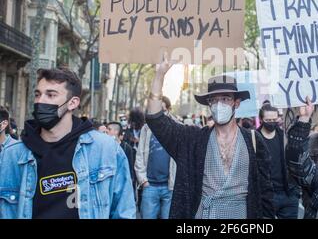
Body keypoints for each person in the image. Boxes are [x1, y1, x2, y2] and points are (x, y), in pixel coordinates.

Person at [145, 56, 274, 219]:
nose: (219, 105)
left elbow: (266, 191)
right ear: (209, 105)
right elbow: (155, 119)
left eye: (225, 99)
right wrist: (159, 76)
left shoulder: (254, 141)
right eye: (214, 100)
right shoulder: (193, 140)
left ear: (237, 103)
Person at [0, 68, 135, 219]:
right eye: (38, 94)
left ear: (72, 103)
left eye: (51, 95)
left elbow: (123, 211)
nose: (40, 101)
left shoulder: (105, 150)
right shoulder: (12, 154)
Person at [257, 104, 299, 219]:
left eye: (274, 120)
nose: (271, 123)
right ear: (261, 120)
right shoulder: (254, 139)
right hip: (266, 196)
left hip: (288, 194)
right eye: (268, 120)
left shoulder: (284, 136)